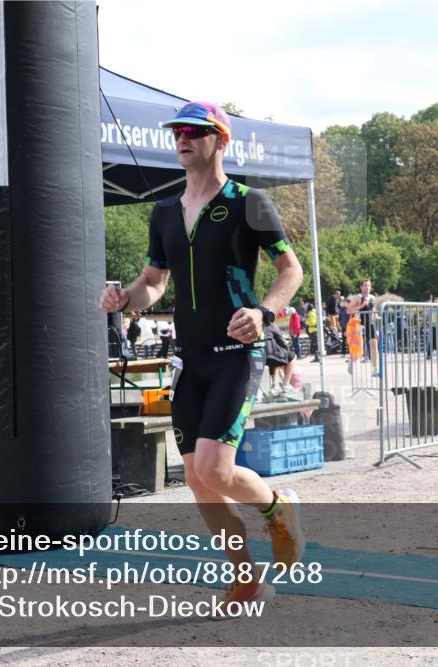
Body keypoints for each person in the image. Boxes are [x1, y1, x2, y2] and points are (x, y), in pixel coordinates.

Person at [98, 101, 304, 612]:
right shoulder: (165, 211)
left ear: (221, 140)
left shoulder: (248, 201)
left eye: (195, 131)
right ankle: (246, 578)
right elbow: (152, 284)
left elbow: (291, 271)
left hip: (237, 353)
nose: (182, 138)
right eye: (177, 132)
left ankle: (279, 511)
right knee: (196, 477)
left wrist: (265, 312)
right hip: (189, 360)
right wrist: (124, 299)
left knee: (214, 467)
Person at [358, 279, 379, 373]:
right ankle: (352, 362)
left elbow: (373, 309)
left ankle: (375, 367)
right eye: (365, 285)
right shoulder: (358, 297)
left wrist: (376, 315)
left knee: (374, 346)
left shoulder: (372, 297)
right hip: (360, 324)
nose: (367, 287)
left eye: (369, 285)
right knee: (359, 347)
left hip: (370, 324)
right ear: (361, 287)